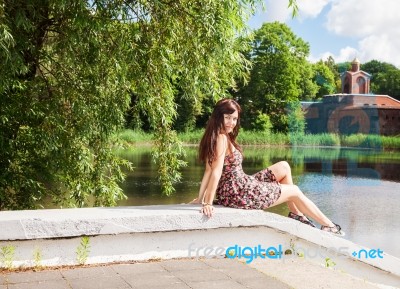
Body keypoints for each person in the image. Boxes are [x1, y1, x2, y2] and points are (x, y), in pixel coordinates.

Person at [190, 98, 344, 236]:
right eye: (227, 118)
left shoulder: (217, 136)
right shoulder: (221, 138)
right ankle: (328, 225)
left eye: (235, 119)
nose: (231, 122)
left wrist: (200, 198)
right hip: (239, 193)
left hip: (238, 186)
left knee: (284, 166)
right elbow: (214, 172)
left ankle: (297, 214)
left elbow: (208, 171)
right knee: (295, 191)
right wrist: (207, 202)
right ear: (218, 117)